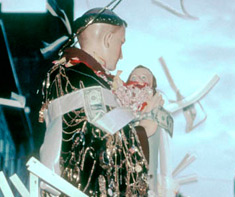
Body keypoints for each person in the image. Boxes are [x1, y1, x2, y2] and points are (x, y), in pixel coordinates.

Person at [39, 8, 155, 196]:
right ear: (108, 39)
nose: (121, 55)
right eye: (121, 43)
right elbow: (101, 134)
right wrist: (142, 129)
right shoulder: (83, 77)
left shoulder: (67, 72)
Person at [126, 65, 176, 196]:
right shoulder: (119, 110)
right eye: (134, 77)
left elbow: (165, 156)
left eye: (144, 77)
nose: (138, 80)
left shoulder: (159, 115)